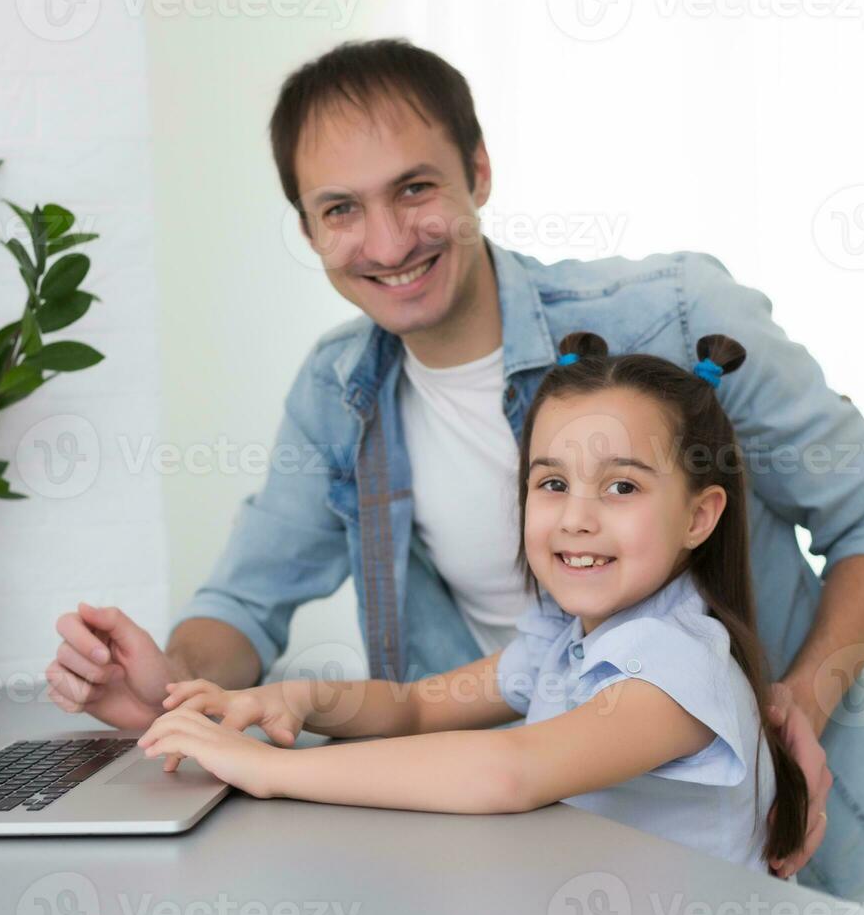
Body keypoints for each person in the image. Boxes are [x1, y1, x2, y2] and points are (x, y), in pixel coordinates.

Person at [47, 39, 864, 915]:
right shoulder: (349, 408)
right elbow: (274, 622)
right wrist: (188, 697)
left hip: (823, 875)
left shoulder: (674, 322)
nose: (390, 241)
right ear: (309, 230)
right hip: (578, 900)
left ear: (478, 171)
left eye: (415, 187)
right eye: (342, 208)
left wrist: (799, 700)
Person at [141, 333, 812, 872]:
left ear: (700, 517)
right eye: (552, 482)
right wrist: (294, 700)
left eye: (622, 488)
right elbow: (416, 706)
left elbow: (508, 771)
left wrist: (269, 770)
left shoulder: (677, 668)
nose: (576, 518)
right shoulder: (563, 641)